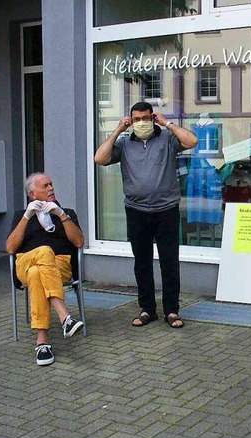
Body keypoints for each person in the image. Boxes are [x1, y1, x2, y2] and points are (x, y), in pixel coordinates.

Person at [94, 101, 198, 328]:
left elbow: (192, 141)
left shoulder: (167, 139)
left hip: (166, 210)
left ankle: (171, 311)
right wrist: (118, 130)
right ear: (131, 121)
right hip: (136, 211)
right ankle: (147, 310)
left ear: (153, 118)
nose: (142, 123)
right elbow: (99, 158)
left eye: (146, 118)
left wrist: (168, 123)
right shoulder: (124, 143)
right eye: (137, 119)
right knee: (142, 263)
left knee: (169, 263)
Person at [6, 173, 85, 366]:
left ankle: (42, 341)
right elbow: (10, 248)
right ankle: (64, 316)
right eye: (45, 186)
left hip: (59, 266)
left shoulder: (66, 212)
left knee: (37, 271)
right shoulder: (21, 215)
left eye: (51, 184)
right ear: (33, 194)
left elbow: (79, 242)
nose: (51, 188)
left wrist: (61, 215)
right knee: (43, 252)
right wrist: (27, 216)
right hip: (26, 261)